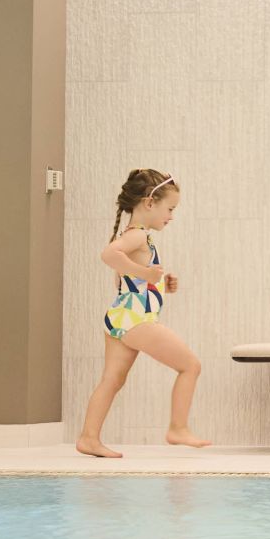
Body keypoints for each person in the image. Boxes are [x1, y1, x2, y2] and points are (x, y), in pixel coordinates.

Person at [74, 168, 210, 457]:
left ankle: (89, 437)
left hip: (119, 317)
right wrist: (145, 273)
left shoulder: (136, 237)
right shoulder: (137, 236)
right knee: (190, 366)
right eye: (169, 208)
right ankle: (178, 428)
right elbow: (108, 255)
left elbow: (128, 281)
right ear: (150, 203)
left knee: (112, 380)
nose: (171, 216)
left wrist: (160, 281)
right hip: (136, 320)